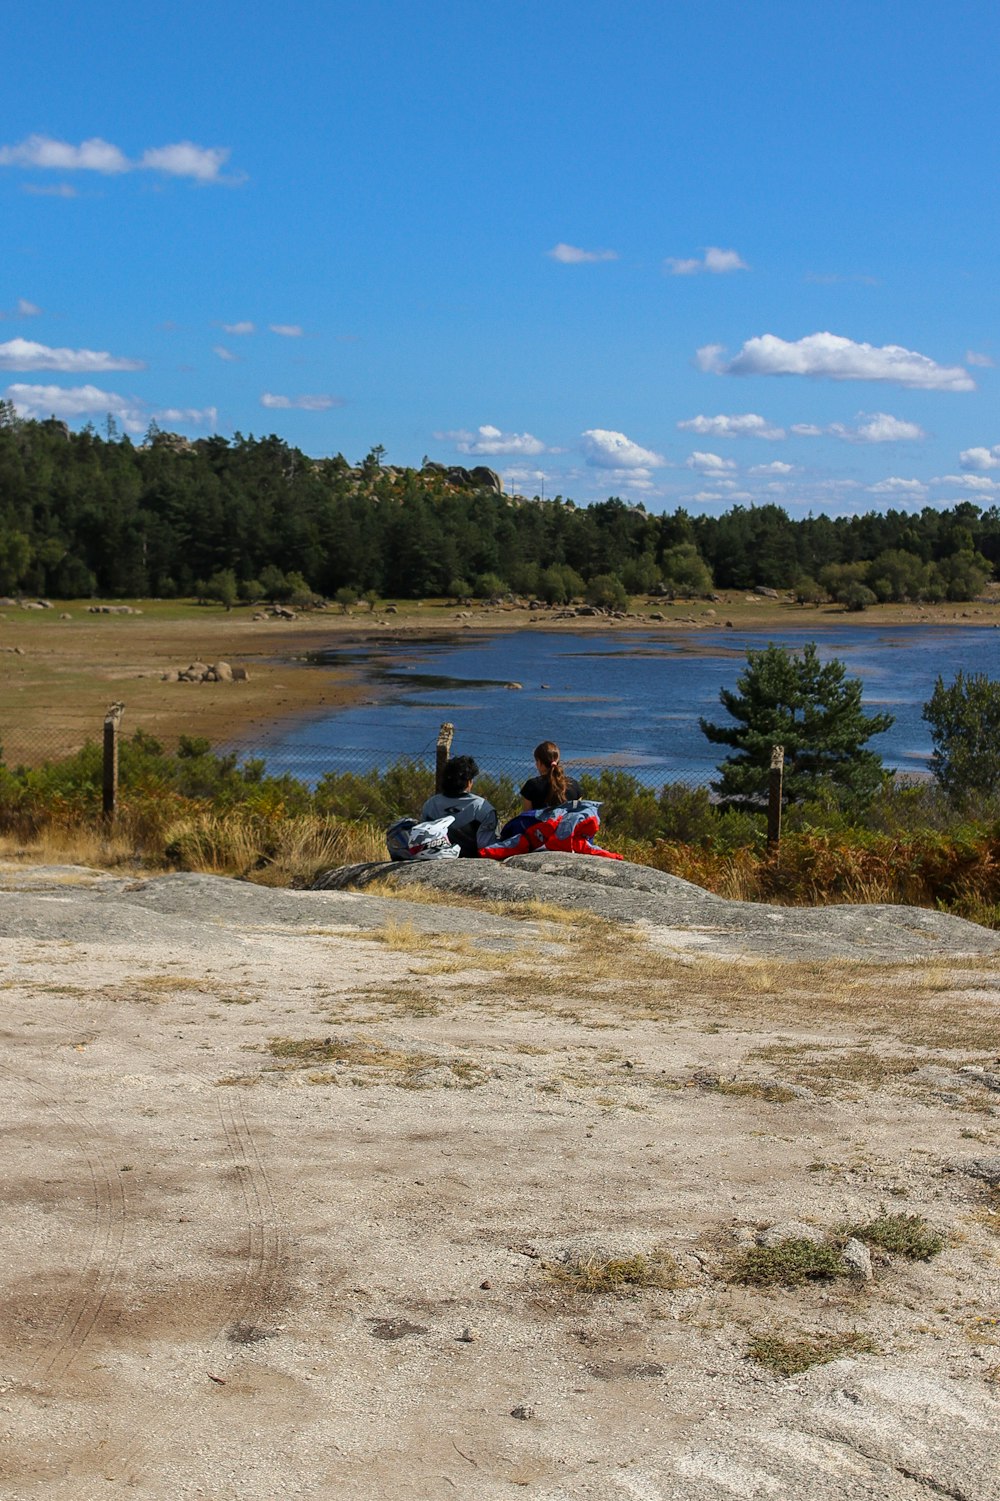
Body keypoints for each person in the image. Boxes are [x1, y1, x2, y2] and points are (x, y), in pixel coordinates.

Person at [421, 754, 498, 856]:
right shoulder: (483, 808)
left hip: (434, 859)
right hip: (473, 864)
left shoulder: (430, 804)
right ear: (469, 782)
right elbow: (487, 847)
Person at [520, 739, 582, 810]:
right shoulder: (573, 785)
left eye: (536, 760)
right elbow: (578, 813)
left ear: (540, 763)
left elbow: (526, 816)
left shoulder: (532, 786)